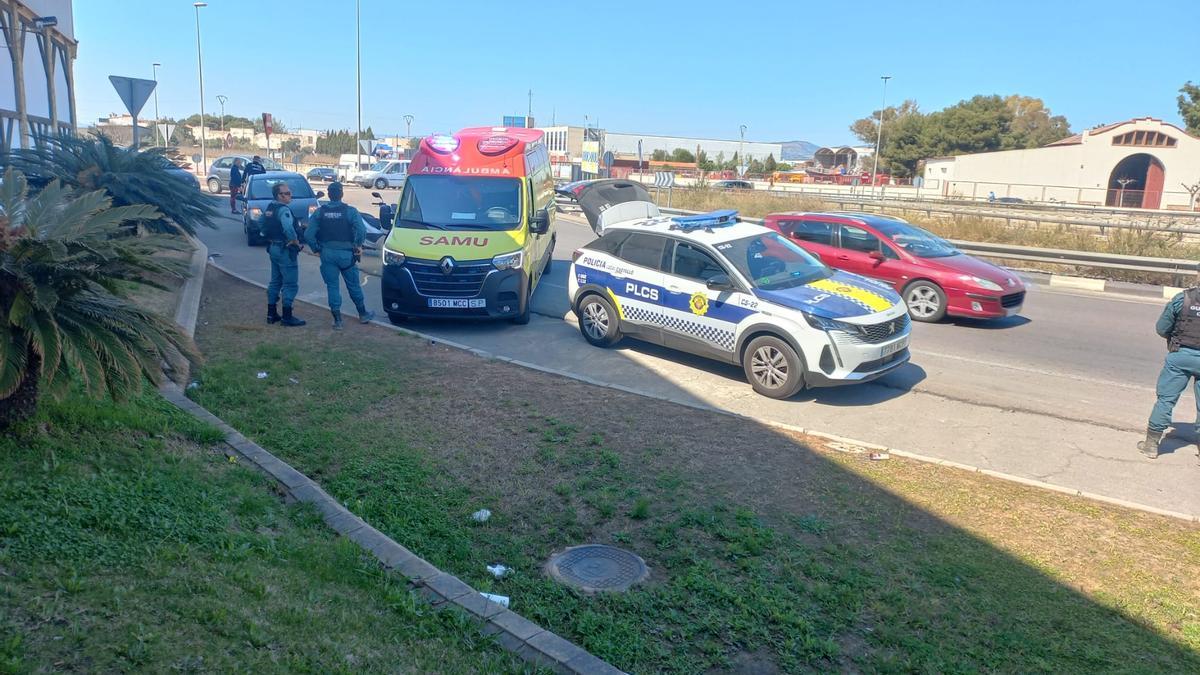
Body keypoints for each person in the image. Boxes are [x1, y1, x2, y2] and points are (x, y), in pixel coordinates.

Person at [1139, 266, 1200, 459]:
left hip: (1180, 356)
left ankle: (1151, 445)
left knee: (1165, 400)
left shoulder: (1183, 299)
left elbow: (1162, 328)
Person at [305, 182, 376, 329]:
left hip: (327, 253)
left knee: (332, 286)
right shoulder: (350, 211)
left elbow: (308, 234)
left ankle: (337, 320)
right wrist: (357, 245)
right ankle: (362, 314)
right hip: (346, 254)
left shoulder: (320, 212)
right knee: (354, 285)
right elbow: (361, 231)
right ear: (341, 194)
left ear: (329, 194)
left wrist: (316, 248)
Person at [259, 181, 306, 327]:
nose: (289, 195)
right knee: (290, 283)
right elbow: (288, 228)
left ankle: (271, 314)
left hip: (273, 248)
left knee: (275, 281)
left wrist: (267, 235)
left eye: (289, 192)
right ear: (279, 195)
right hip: (284, 249)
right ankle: (287, 316)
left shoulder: (270, 208)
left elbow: (261, 223)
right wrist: (295, 242)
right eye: (286, 193)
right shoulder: (284, 210)